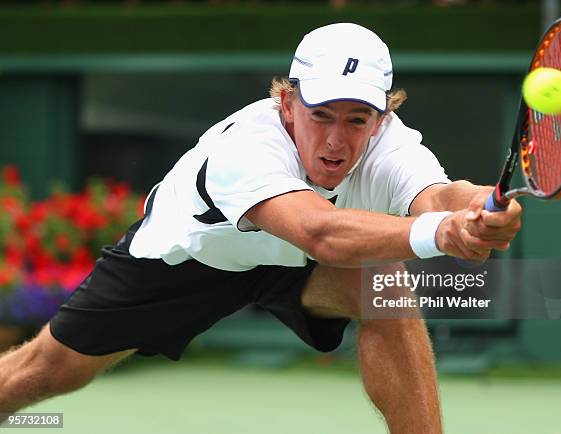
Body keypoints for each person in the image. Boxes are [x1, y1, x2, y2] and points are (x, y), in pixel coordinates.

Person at [0, 23, 521, 433]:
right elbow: (319, 232)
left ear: (382, 118)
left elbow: (436, 197)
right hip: (182, 263)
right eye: (321, 115)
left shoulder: (389, 141)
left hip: (291, 265)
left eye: (357, 120)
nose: (336, 140)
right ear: (288, 102)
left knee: (383, 289)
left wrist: (479, 208)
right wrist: (440, 233)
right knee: (44, 372)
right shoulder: (245, 148)